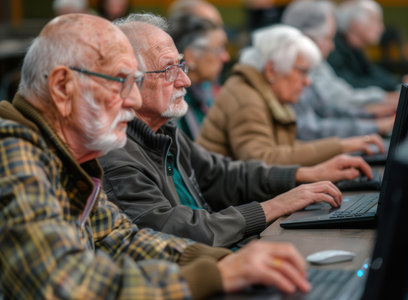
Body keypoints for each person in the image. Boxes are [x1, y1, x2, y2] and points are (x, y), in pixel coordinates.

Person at [0, 13, 313, 299]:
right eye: (121, 82)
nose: (134, 99)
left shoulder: (63, 154)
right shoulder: (11, 152)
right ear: (62, 87)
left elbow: (123, 239)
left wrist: (230, 261)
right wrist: (213, 275)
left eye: (136, 82)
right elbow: (65, 283)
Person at [99, 13, 372, 248]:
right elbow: (173, 232)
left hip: (220, 250)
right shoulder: (115, 155)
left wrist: (303, 176)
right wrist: (276, 205)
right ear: (129, 80)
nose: (185, 80)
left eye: (180, 66)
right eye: (169, 70)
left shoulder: (165, 131)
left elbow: (222, 175)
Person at [197, 24, 385, 167]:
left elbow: (285, 149)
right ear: (271, 69)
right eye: (302, 72)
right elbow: (263, 160)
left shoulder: (263, 91)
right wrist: (341, 148)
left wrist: (344, 146)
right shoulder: (246, 97)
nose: (307, 82)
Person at [281, 0, 395, 140]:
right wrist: (375, 125)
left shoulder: (315, 65)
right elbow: (310, 129)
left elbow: (328, 108)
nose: (332, 47)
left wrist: (371, 116)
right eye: (328, 38)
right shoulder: (290, 70)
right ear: (308, 39)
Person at [169, 14, 230, 140]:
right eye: (219, 49)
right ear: (191, 57)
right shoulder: (171, 104)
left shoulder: (207, 92)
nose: (225, 57)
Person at [327, 0, 401, 91]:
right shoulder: (332, 47)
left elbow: (371, 71)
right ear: (355, 23)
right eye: (376, 21)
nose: (382, 28)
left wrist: (399, 82)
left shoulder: (355, 47)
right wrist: (394, 85)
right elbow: (351, 84)